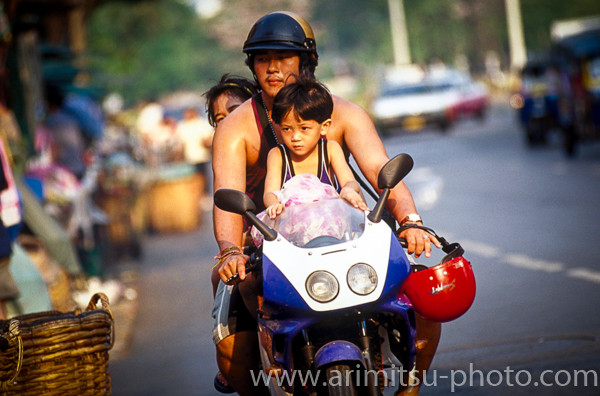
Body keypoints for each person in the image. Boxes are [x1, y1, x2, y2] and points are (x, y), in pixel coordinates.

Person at [211, 12, 441, 396]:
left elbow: (381, 170)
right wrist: (230, 251)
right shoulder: (235, 127)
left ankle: (409, 388)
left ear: (306, 62)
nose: (272, 68)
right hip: (270, 249)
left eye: (283, 57)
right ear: (252, 65)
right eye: (262, 58)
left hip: (348, 240)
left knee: (424, 304)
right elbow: (228, 196)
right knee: (233, 343)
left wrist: (411, 221)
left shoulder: (345, 113)